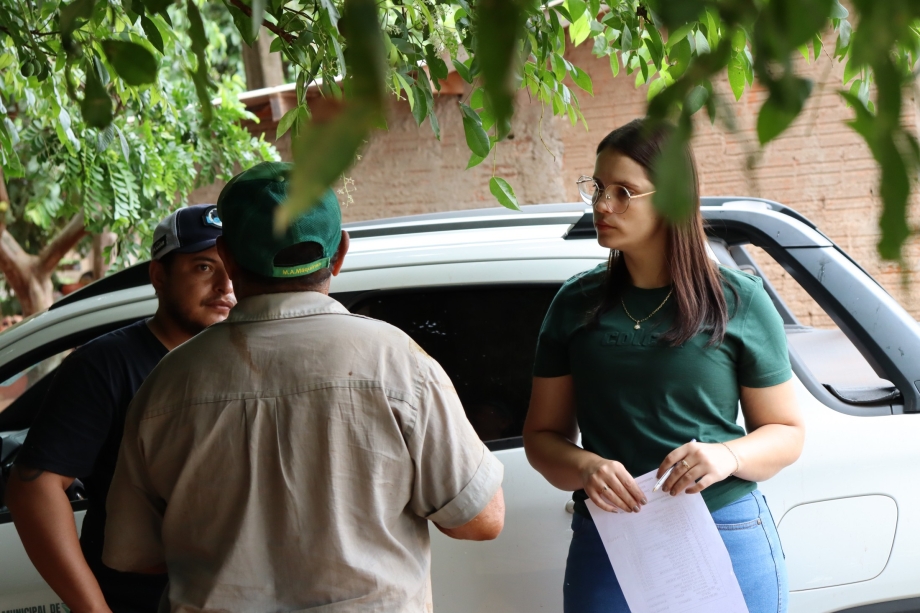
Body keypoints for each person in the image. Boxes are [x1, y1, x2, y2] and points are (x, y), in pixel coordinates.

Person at [101, 162, 505, 613]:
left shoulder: (165, 385)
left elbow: (134, 555)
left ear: (228, 257)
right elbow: (480, 520)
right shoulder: (398, 363)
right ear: (340, 253)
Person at [522, 119, 805, 613]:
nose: (602, 205)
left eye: (623, 191)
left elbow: (786, 432)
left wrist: (726, 457)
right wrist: (586, 467)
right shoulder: (574, 304)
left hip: (723, 530)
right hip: (611, 538)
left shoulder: (737, 300)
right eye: (597, 187)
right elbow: (542, 438)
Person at [6, 204, 235, 613]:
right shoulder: (105, 366)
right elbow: (35, 490)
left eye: (232, 268)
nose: (225, 286)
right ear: (158, 276)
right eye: (204, 267)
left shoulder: (254, 357)